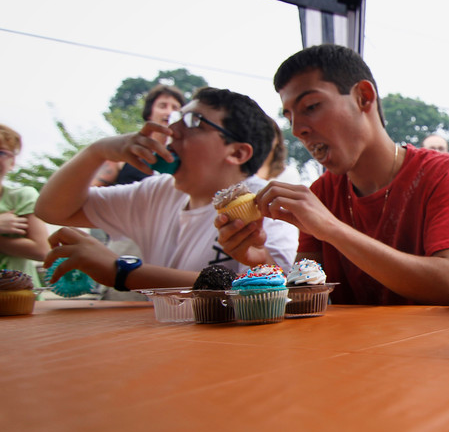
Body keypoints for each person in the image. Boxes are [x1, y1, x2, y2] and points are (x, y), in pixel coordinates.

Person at [215, 44, 449, 305]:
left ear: (363, 97)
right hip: (349, 347)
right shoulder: (322, 192)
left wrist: (331, 229)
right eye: (289, 116)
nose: (297, 130)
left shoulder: (440, 171)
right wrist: (263, 262)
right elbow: (302, 297)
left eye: (311, 106)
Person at [36, 87, 298, 291]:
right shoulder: (156, 192)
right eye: (177, 119)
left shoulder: (264, 203)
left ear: (238, 152)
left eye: (194, 121)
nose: (171, 129)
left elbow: (267, 290)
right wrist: (98, 151)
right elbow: (52, 210)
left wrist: (123, 272)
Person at [92, 84, 185, 187]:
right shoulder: (125, 152)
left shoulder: (186, 160)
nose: (169, 112)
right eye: (162, 106)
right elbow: (88, 193)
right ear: (149, 113)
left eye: (175, 108)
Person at [0, 123, 49, 286]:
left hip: (22, 298)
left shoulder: (22, 196)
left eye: (1, 152)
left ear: (12, 161)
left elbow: (41, 250)